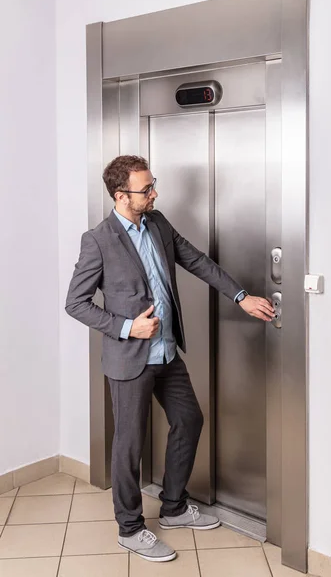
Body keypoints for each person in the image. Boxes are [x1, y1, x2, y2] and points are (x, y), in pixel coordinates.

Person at [65, 155, 275, 562]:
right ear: (121, 195)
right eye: (146, 189)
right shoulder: (98, 240)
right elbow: (76, 303)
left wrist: (241, 297)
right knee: (129, 444)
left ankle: (175, 506)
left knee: (189, 419)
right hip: (130, 357)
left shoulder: (158, 223)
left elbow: (197, 261)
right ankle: (130, 527)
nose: (154, 193)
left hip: (166, 351)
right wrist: (127, 327)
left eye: (153, 184)